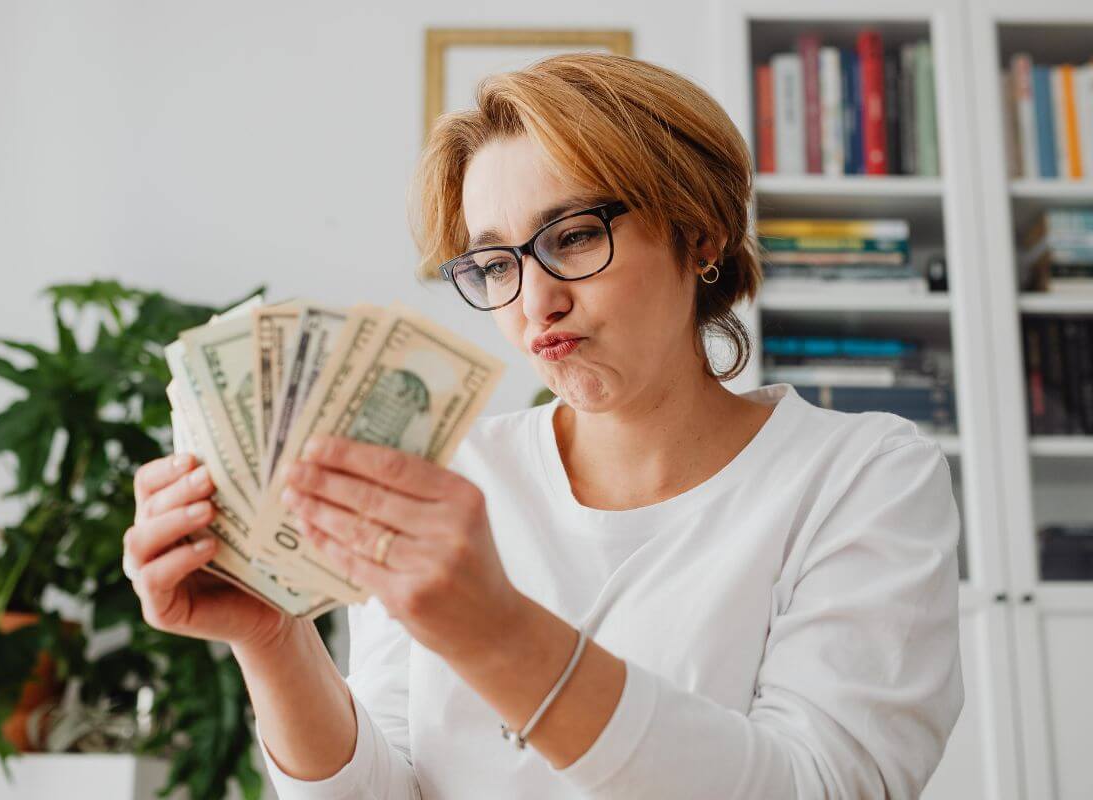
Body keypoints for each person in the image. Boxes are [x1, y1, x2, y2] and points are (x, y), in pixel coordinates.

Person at [123, 52, 963, 798]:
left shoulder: (864, 474)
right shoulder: (447, 478)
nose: (534, 301)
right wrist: (275, 640)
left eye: (570, 237)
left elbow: (824, 786)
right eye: (494, 263)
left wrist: (496, 631)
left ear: (699, 231)